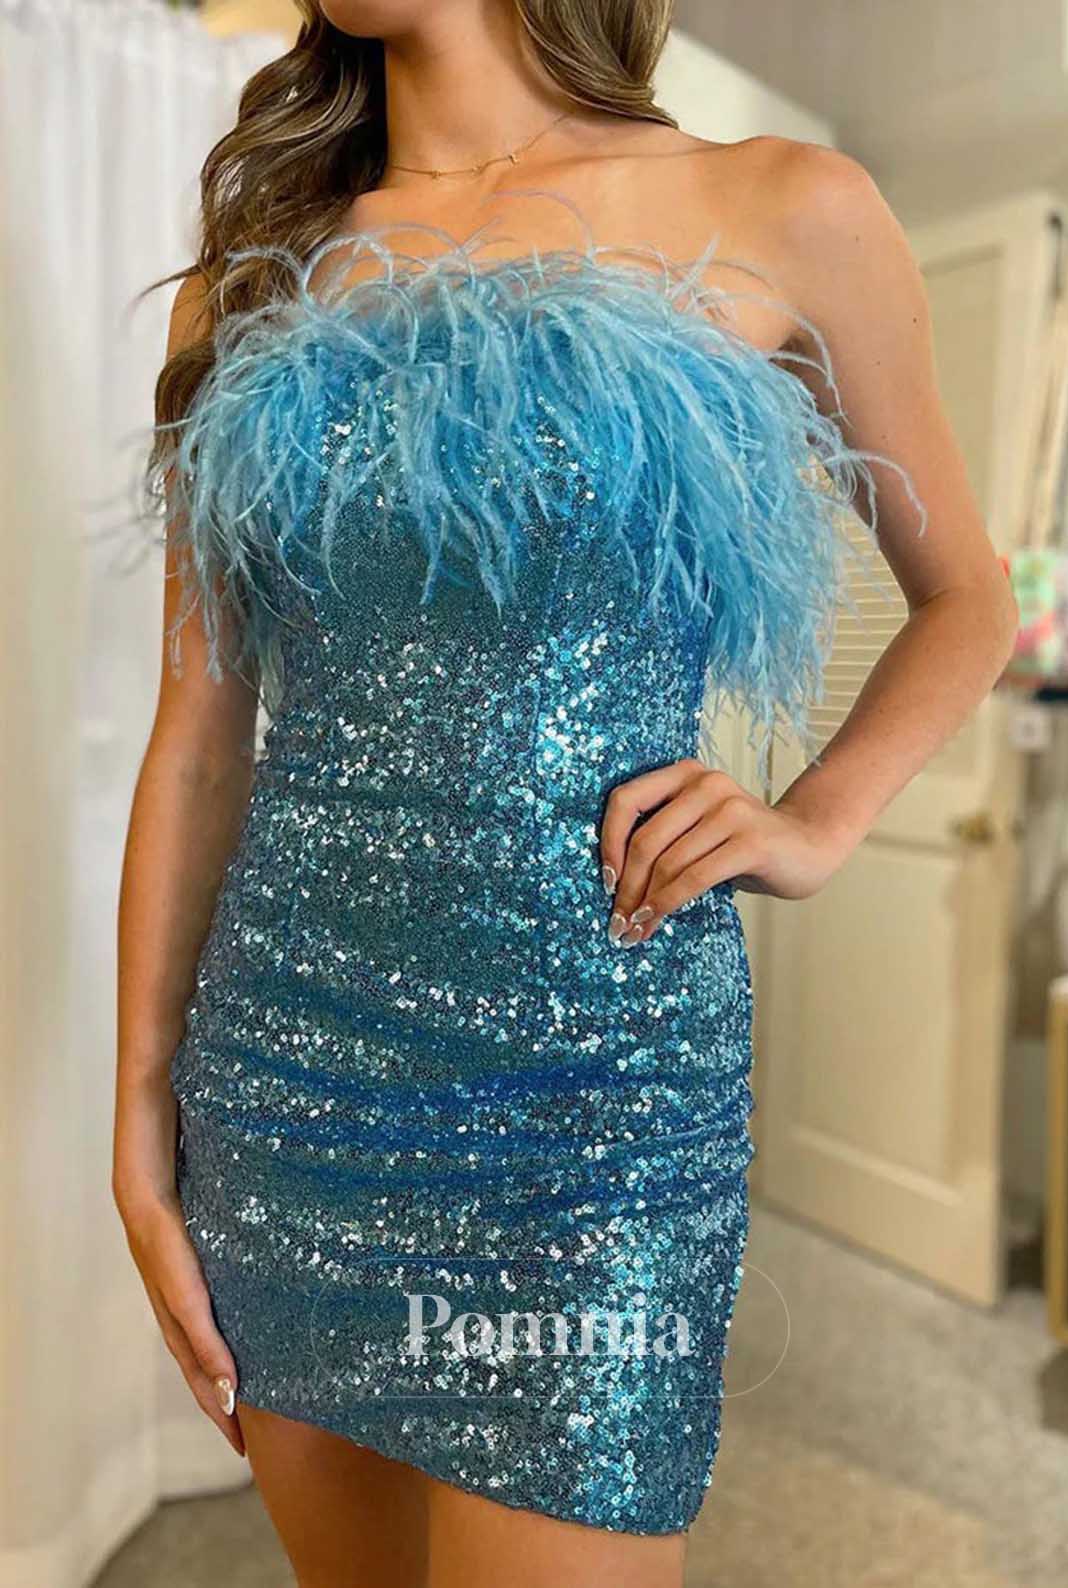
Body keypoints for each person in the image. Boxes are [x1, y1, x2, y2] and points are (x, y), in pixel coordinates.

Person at [113, 2, 1018, 1585]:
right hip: (290, 1082)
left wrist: (815, 818)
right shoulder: (254, 270)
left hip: (597, 1103)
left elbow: (969, 599)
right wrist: (138, 1110)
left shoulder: (787, 208)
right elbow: (199, 733)